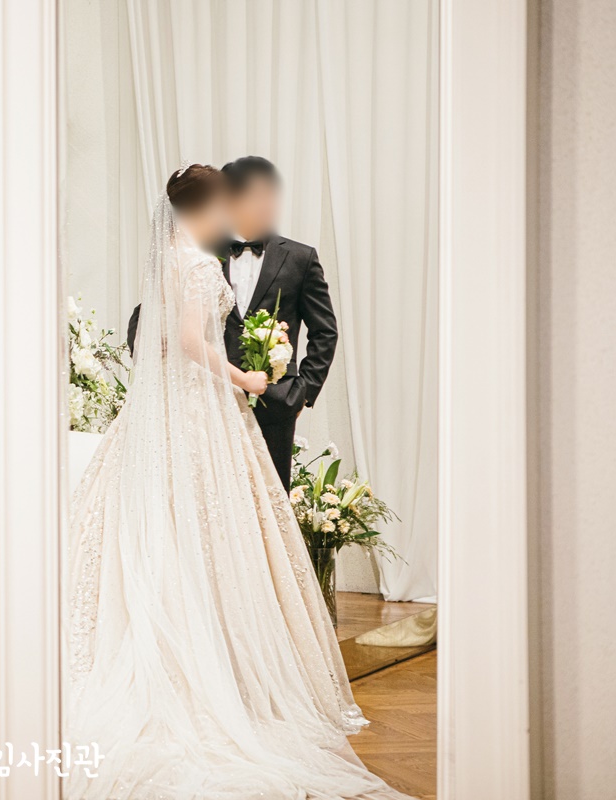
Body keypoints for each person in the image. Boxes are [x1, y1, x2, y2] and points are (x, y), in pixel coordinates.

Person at [65, 165, 409, 799]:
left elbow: (161, 337)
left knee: (175, 527)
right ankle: (221, 673)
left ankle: (194, 652)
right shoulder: (199, 263)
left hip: (164, 411)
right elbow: (191, 341)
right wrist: (245, 378)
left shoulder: (170, 259)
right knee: (218, 529)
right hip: (203, 406)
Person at [126, 156, 338, 488]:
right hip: (207, 401)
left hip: (273, 401)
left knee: (270, 497)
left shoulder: (300, 257)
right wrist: (159, 357)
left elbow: (325, 331)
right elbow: (149, 313)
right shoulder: (201, 251)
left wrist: (301, 393)